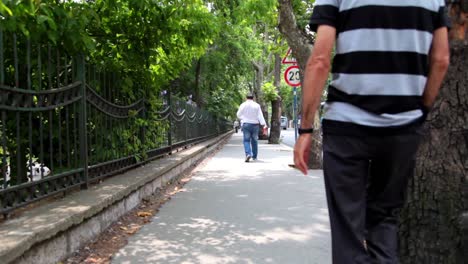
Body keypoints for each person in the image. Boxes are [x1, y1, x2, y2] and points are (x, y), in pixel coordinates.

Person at [294, 1, 450, 263]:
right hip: (403, 128)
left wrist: (306, 129)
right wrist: (420, 110)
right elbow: (442, 59)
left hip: (347, 128)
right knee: (384, 221)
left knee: (348, 234)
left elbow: (320, 60)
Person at [237, 93, 268, 162]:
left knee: (246, 140)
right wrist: (264, 124)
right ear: (253, 98)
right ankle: (254, 156)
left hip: (246, 124)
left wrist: (243, 118)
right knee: (254, 140)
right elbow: (260, 116)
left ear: (246, 98)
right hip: (255, 125)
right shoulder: (257, 105)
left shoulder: (243, 105)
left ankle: (248, 154)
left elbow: (238, 114)